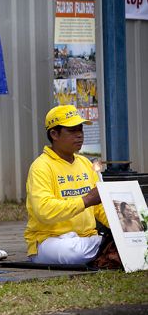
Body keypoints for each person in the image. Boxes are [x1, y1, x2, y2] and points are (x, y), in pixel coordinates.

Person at [24, 105, 110, 265]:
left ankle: (106, 245)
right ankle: (105, 247)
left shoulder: (85, 163)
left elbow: (101, 208)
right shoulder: (41, 166)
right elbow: (44, 211)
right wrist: (85, 200)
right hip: (49, 241)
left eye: (81, 130)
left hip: (88, 239)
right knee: (72, 252)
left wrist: (123, 228)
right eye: (72, 131)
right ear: (54, 134)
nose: (79, 136)